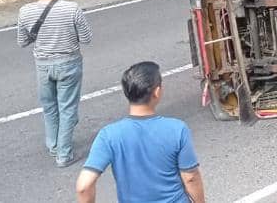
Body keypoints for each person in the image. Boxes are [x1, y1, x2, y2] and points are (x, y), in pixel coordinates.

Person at [76, 62, 206, 203]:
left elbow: (84, 186)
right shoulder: (177, 129)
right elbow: (190, 177)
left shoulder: (108, 135)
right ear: (157, 92)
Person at [17, 0, 92, 167]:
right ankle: (64, 154)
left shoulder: (25, 11)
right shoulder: (72, 9)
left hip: (42, 65)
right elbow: (86, 38)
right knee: (67, 108)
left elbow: (22, 41)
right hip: (69, 63)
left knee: (50, 107)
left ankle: (53, 146)